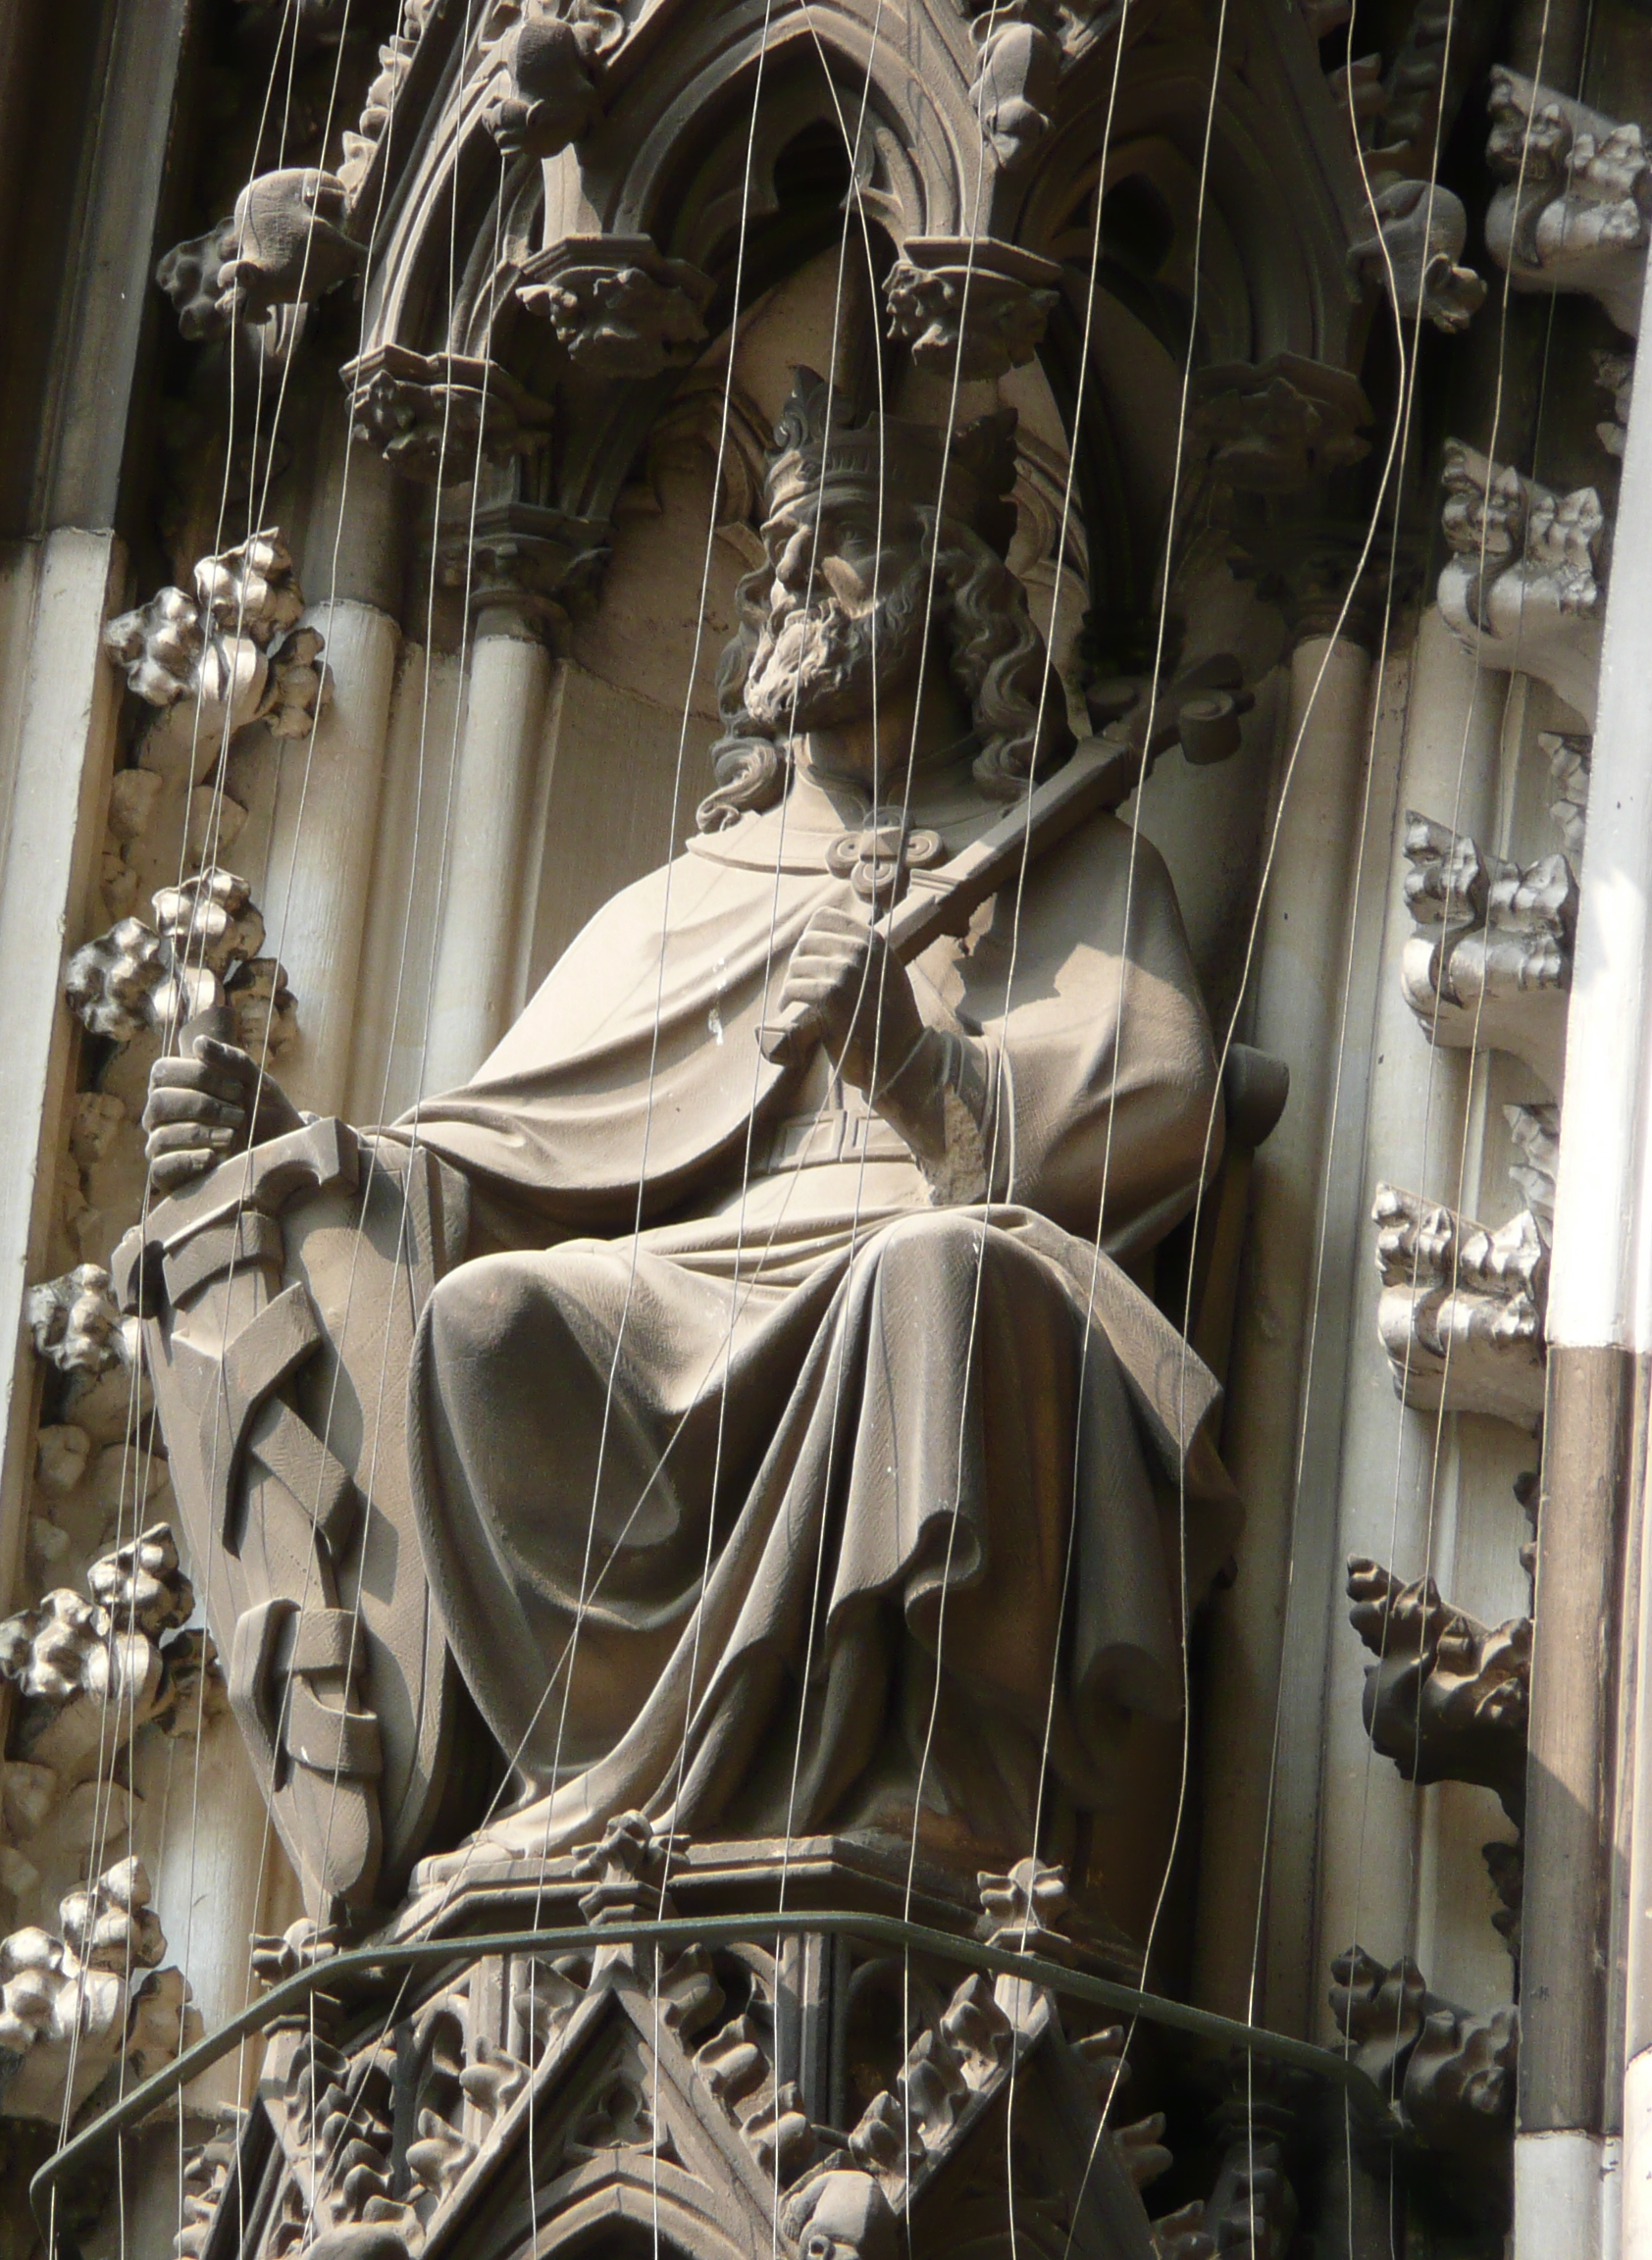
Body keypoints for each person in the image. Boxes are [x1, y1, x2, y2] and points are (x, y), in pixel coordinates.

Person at [145, 372, 1232, 1874]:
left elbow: (1164, 1103)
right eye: (775, 557)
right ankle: (604, 1774)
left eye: (838, 545)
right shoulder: (681, 904)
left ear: (959, 593)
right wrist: (295, 1160)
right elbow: (497, 1165)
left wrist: (916, 1066)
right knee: (488, 1321)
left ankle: (930, 1782)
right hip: (706, 1274)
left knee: (936, 1283)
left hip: (924, 1244)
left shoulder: (1075, 862)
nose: (790, 584)